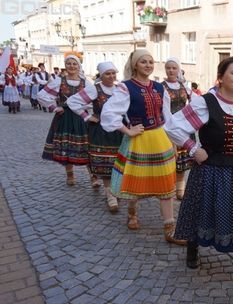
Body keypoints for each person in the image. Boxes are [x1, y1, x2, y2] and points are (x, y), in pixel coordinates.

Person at [165, 56, 233, 296]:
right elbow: (172, 126)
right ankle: (192, 249)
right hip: (211, 170)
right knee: (201, 209)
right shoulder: (206, 103)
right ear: (220, 77)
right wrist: (193, 149)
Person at [100, 49, 184, 245]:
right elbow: (108, 114)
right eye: (143, 62)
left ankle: (169, 228)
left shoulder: (159, 88)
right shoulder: (126, 88)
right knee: (137, 184)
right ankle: (132, 213)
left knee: (166, 185)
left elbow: (167, 117)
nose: (148, 65)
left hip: (160, 139)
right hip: (139, 140)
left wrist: (172, 141)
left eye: (150, 61)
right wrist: (127, 130)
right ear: (135, 65)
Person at [67, 62, 124, 213]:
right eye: (107, 74)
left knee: (118, 161)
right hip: (101, 129)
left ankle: (116, 189)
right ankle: (110, 195)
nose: (111, 76)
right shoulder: (95, 89)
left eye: (113, 73)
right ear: (101, 75)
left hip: (119, 129)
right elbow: (72, 101)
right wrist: (87, 116)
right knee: (105, 161)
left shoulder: (120, 89)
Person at [38, 55, 96, 187]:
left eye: (74, 64)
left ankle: (93, 176)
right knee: (67, 145)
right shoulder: (59, 81)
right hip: (64, 117)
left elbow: (94, 98)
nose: (71, 66)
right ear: (65, 65)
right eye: (69, 63)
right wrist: (54, 107)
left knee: (88, 146)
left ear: (78, 66)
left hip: (81, 117)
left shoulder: (86, 82)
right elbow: (41, 95)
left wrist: (86, 108)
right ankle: (70, 174)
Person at [162, 57, 193, 201]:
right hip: (168, 125)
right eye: (168, 68)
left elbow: (193, 104)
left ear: (178, 70)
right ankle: (168, 187)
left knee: (182, 160)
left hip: (184, 126)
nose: (171, 70)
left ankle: (180, 188)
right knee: (171, 159)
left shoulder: (184, 87)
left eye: (174, 68)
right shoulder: (161, 87)